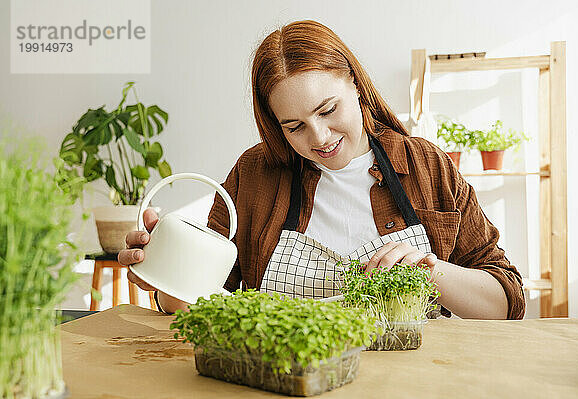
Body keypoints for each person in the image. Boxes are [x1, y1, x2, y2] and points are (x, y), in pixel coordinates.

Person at [118, 20, 525, 320]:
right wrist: (163, 272)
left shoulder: (425, 166)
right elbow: (198, 302)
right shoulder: (254, 175)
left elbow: (506, 304)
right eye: (293, 126)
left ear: (355, 86)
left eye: (328, 110)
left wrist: (432, 272)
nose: (320, 138)